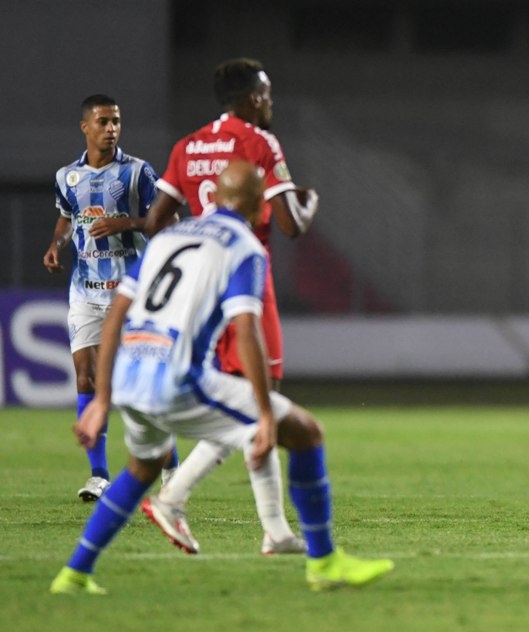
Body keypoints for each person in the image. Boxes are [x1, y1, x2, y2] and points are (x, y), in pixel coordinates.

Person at [49, 161, 393, 595]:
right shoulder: (244, 247)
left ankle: (74, 573)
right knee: (305, 432)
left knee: (142, 467)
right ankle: (324, 562)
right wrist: (265, 413)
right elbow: (246, 328)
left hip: (130, 378)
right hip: (177, 379)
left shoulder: (171, 236)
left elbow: (119, 308)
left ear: (213, 199)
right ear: (258, 207)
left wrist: (102, 399)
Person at [140, 57, 320, 555]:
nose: (270, 102)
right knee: (260, 400)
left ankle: (275, 531)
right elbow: (289, 224)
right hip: (246, 279)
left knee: (244, 400)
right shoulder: (258, 143)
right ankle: (175, 498)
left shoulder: (188, 145)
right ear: (252, 98)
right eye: (266, 93)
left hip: (203, 287)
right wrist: (309, 203)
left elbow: (156, 222)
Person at [45, 94, 178, 502]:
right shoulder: (67, 176)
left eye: (116, 121)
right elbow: (68, 217)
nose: (111, 128)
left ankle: (171, 469)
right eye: (103, 121)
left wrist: (129, 222)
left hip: (133, 295)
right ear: (85, 127)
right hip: (85, 292)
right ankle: (99, 475)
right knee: (85, 379)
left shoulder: (138, 172)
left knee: (145, 387)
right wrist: (56, 244)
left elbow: (169, 221)